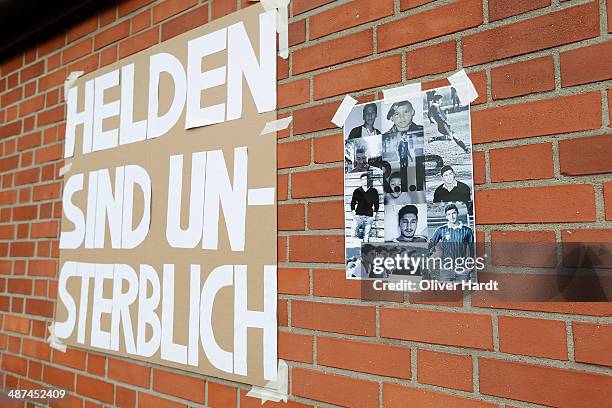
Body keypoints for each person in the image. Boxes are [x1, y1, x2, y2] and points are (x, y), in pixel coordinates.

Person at [383, 100, 423, 190]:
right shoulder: (385, 138)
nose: (402, 117)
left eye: (406, 112)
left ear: (412, 112)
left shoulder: (422, 131)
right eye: (397, 114)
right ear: (391, 117)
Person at [429, 203, 475, 281]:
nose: (452, 216)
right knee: (446, 292)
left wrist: (470, 266)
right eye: (449, 214)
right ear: (446, 216)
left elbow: (472, 249)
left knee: (462, 292)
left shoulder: (467, 230)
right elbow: (430, 244)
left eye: (454, 213)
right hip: (446, 269)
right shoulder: (441, 230)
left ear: (457, 213)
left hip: (462, 269)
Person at [350, 174, 379, 242]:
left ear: (368, 180)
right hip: (358, 216)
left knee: (366, 237)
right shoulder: (357, 191)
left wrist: (373, 217)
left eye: (366, 179)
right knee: (353, 234)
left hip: (369, 217)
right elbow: (352, 204)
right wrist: (354, 215)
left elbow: (376, 205)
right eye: (362, 180)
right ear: (361, 181)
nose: (364, 181)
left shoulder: (374, 191)